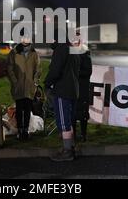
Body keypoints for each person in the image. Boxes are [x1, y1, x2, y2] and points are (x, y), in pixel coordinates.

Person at [45, 28, 80, 162]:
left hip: (62, 90)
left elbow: (55, 70)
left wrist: (47, 83)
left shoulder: (61, 49)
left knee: (63, 121)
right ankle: (71, 147)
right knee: (69, 120)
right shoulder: (73, 49)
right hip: (73, 91)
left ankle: (67, 152)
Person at [7, 31, 41, 141]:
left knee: (27, 108)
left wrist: (34, 81)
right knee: (19, 108)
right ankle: (20, 129)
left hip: (29, 86)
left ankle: (25, 130)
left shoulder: (34, 53)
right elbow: (10, 68)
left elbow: (38, 69)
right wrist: (14, 81)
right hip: (18, 86)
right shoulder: (14, 53)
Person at [72, 37, 92, 142]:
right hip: (72, 89)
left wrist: (75, 73)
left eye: (77, 43)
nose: (75, 45)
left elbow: (88, 72)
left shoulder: (86, 56)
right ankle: (73, 135)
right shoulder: (70, 55)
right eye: (73, 43)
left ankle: (84, 134)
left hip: (83, 89)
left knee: (83, 113)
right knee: (73, 114)